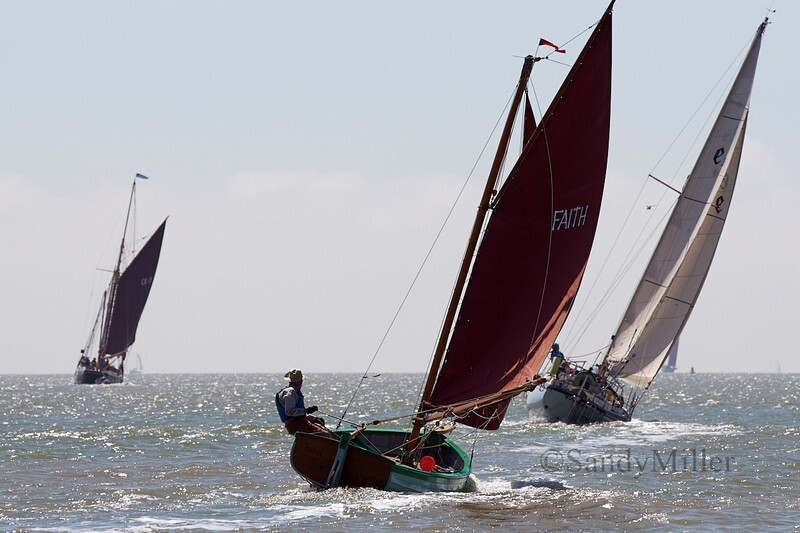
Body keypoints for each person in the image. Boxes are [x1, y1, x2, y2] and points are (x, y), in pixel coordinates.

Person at [275, 368, 329, 435]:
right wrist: (306, 410)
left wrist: (314, 419)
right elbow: (289, 411)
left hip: (299, 423)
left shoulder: (291, 391)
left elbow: (298, 414)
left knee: (326, 431)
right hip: (295, 425)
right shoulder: (291, 392)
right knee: (325, 434)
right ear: (299, 382)